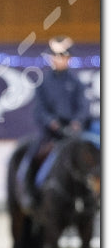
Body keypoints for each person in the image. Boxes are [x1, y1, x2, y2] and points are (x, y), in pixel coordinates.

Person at [17, 36, 90, 210]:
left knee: (88, 160)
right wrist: (52, 123)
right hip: (50, 133)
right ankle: (29, 192)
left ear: (68, 58)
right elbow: (39, 109)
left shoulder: (76, 83)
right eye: (55, 56)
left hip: (72, 133)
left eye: (62, 56)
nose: (58, 59)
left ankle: (89, 200)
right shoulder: (44, 83)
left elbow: (83, 107)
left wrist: (76, 123)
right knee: (33, 156)